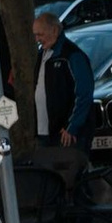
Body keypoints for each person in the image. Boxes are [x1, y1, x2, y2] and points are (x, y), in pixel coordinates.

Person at [28, 9, 96, 178]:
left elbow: (84, 93)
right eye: (35, 35)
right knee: (48, 176)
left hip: (66, 132)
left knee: (72, 175)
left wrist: (72, 127)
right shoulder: (42, 54)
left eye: (40, 34)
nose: (37, 39)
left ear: (54, 30)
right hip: (46, 130)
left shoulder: (72, 55)